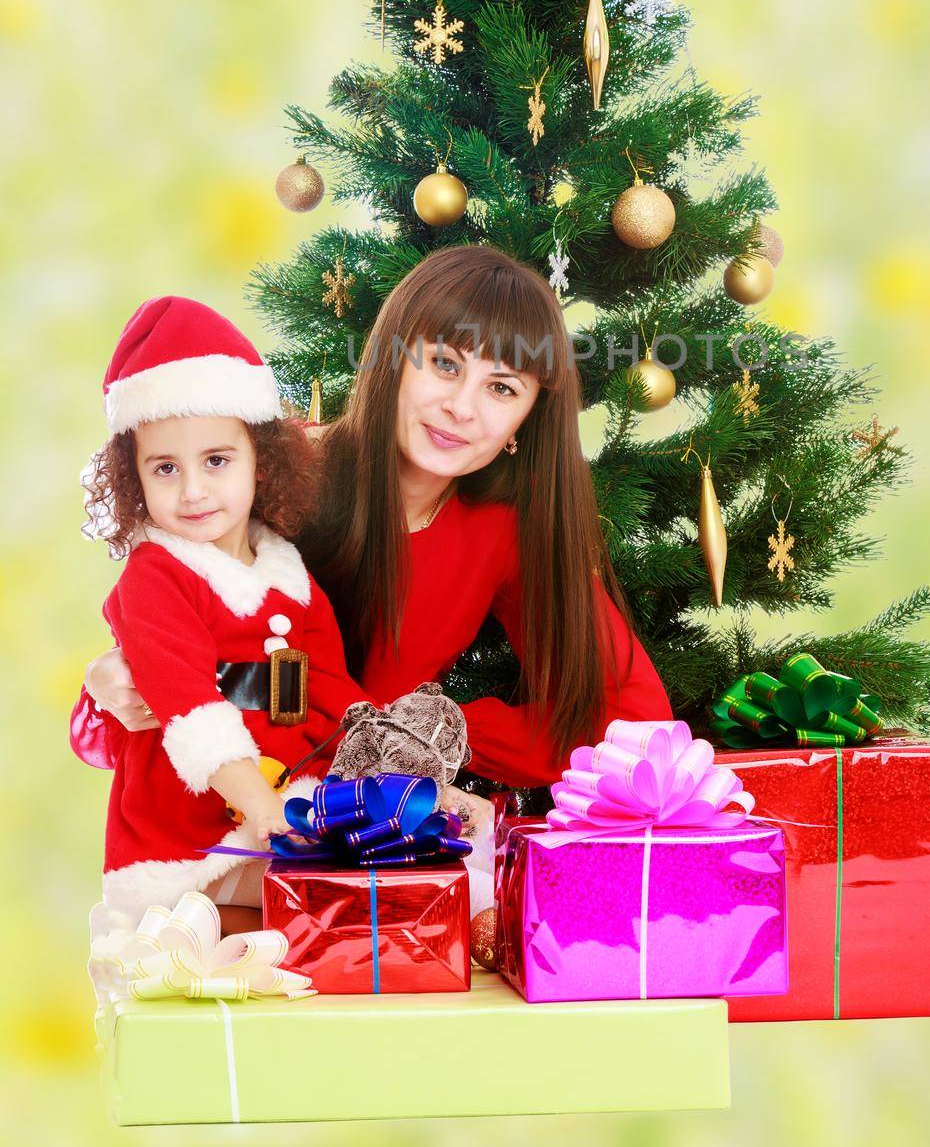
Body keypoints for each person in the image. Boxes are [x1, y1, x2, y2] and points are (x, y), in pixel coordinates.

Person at [74, 247, 672, 807]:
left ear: (525, 419)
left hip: (370, 824)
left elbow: (637, 721)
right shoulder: (272, 478)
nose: (462, 408)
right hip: (218, 818)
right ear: (394, 361)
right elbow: (150, 649)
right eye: (443, 365)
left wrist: (441, 730)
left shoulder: (505, 530)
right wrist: (107, 687)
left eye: (501, 388)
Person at [82, 295, 368, 926]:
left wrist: (375, 773)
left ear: (260, 461)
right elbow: (186, 699)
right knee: (316, 909)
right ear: (134, 479)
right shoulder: (155, 573)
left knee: (347, 900)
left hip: (287, 803)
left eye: (216, 461)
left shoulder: (290, 578)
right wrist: (262, 807)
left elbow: (333, 692)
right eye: (165, 469)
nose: (193, 491)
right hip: (189, 829)